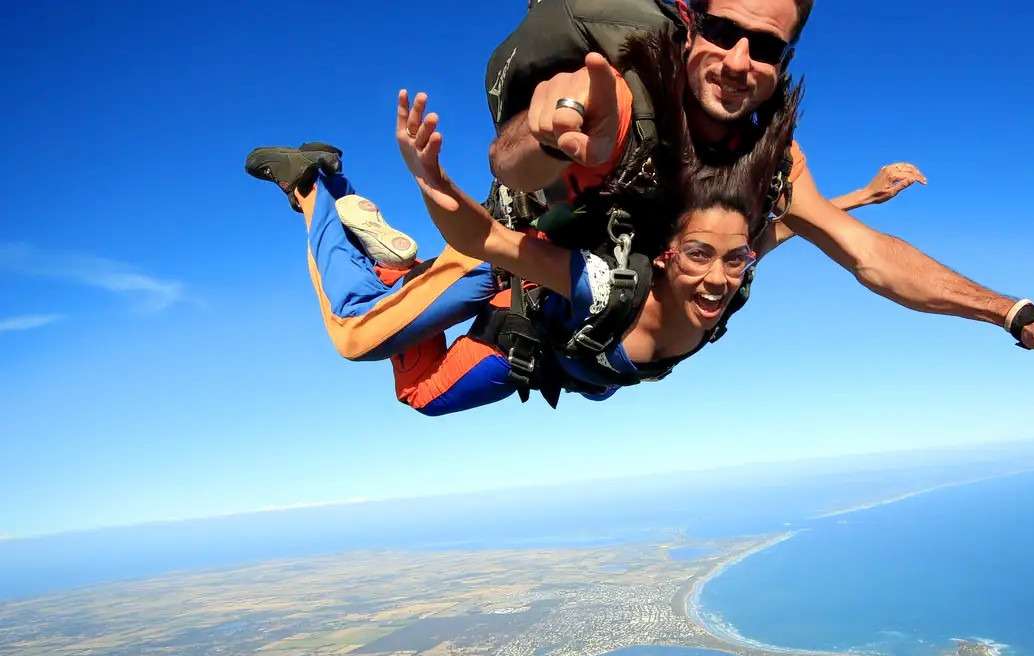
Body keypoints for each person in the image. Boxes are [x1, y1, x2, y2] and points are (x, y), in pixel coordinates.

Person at [485, 0, 1034, 361]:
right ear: (690, 25)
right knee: (425, 386)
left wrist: (1011, 313)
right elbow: (510, 163)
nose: (738, 62)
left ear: (785, 61)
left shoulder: (771, 156)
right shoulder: (620, 95)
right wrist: (545, 134)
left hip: (632, 321)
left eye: (767, 47)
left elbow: (867, 254)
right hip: (540, 276)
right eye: (723, 33)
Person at [245, 31, 806, 416]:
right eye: (702, 258)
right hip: (501, 267)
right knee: (352, 334)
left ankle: (396, 271)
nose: (719, 277)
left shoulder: (724, 286)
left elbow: (770, 236)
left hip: (525, 339)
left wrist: (854, 201)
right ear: (666, 257)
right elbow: (490, 240)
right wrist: (433, 181)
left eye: (732, 262)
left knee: (420, 390)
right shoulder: (605, 288)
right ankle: (312, 186)